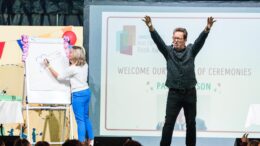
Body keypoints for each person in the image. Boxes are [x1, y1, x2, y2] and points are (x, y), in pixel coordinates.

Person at [143, 15, 215, 146]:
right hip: (174, 94)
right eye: (174, 38)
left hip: (190, 94)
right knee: (168, 123)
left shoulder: (191, 50)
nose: (175, 40)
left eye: (178, 38)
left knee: (191, 124)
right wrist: (151, 28)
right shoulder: (168, 52)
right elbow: (158, 42)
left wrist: (207, 29)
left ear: (185, 40)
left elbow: (200, 41)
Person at [44, 46, 94, 146]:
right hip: (86, 92)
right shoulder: (85, 65)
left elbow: (59, 77)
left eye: (71, 53)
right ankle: (91, 140)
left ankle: (80, 142)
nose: (68, 54)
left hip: (78, 95)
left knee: (80, 120)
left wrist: (49, 66)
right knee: (85, 117)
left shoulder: (72, 68)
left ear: (75, 55)